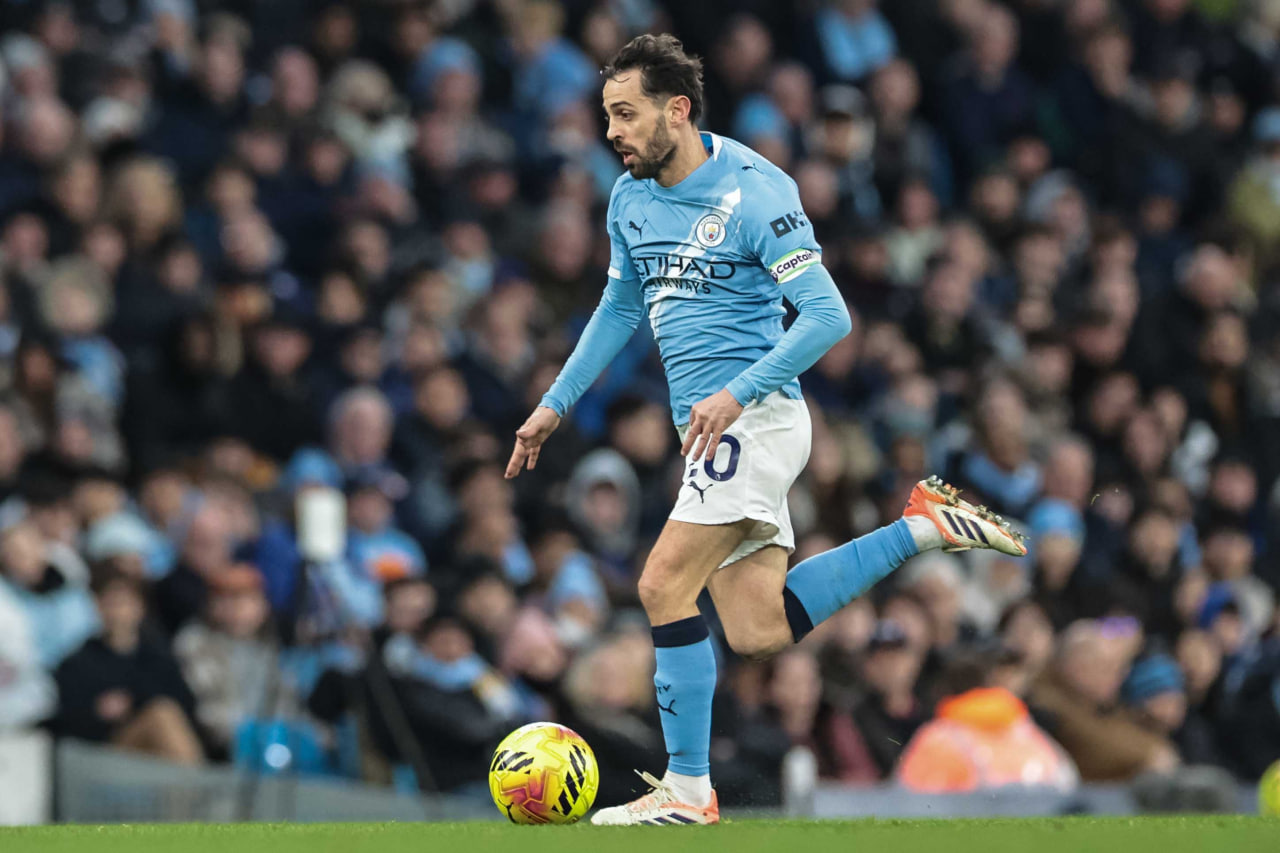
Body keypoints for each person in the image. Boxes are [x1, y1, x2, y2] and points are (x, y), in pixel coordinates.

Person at [504, 33, 1027, 827]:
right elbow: (618, 308)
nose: (610, 131)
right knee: (756, 629)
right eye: (607, 114)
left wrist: (735, 394)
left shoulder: (756, 189)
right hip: (709, 432)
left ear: (676, 111)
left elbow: (828, 316)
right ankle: (920, 528)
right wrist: (554, 403)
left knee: (660, 584)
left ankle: (687, 790)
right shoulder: (628, 199)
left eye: (625, 113)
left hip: (757, 418)